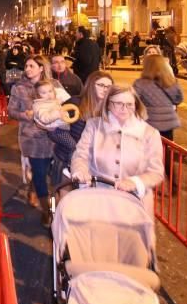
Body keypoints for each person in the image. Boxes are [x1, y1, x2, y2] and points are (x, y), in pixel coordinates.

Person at [71, 85, 165, 213]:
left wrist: (135, 182)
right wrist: (80, 171)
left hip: (134, 203)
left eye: (129, 104)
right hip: (98, 198)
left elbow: (156, 172)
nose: (124, 109)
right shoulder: (94, 126)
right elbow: (81, 155)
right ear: (108, 104)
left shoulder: (150, 133)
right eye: (118, 103)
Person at [7, 55, 67, 227]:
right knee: (41, 176)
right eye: (26, 66)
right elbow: (11, 111)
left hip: (55, 137)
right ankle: (48, 211)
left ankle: (37, 193)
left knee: (53, 177)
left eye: (31, 66)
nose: (27, 69)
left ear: (41, 68)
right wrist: (24, 115)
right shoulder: (19, 88)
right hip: (32, 138)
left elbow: (66, 103)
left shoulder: (54, 85)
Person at [48, 71, 113, 185]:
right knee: (64, 195)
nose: (105, 89)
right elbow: (54, 130)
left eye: (108, 86)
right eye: (101, 85)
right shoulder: (75, 103)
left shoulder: (111, 109)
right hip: (65, 158)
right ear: (91, 85)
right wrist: (74, 147)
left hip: (94, 164)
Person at [133, 55, 183, 142]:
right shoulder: (171, 81)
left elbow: (134, 101)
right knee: (167, 147)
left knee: (151, 149)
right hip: (168, 124)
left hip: (149, 122)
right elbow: (178, 100)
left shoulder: (140, 84)